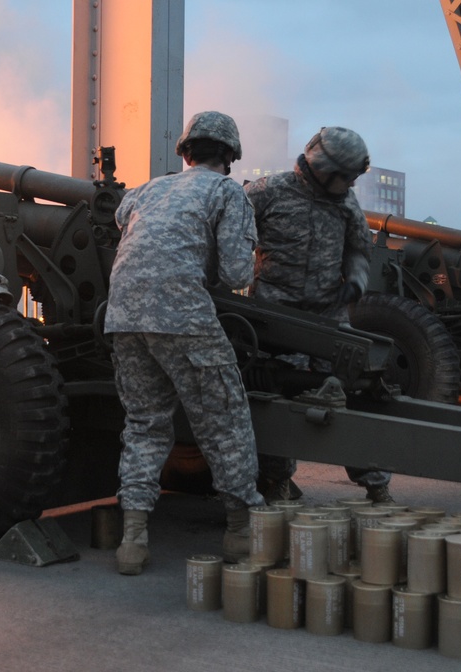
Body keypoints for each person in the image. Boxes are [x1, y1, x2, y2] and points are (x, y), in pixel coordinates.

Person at [104, 111, 265, 574]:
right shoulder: (226, 192)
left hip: (123, 316)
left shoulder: (147, 190)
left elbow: (122, 220)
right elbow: (236, 274)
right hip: (182, 315)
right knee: (224, 418)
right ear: (229, 157)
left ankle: (133, 540)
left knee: (145, 424)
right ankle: (239, 531)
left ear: (186, 152)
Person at [245, 126, 393, 504]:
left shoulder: (346, 204)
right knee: (275, 403)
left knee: (348, 398)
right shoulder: (266, 193)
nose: (351, 184)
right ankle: (276, 480)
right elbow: (232, 237)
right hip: (277, 319)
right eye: (346, 176)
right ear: (323, 167)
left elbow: (360, 251)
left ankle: (376, 483)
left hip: (329, 316)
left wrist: (356, 283)